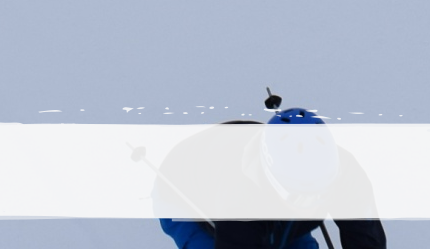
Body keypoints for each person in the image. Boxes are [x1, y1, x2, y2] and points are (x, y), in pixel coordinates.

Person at [156, 106, 386, 249]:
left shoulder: (349, 179)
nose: (308, 204)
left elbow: (366, 240)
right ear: (273, 179)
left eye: (319, 194)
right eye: (298, 196)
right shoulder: (240, 204)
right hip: (183, 193)